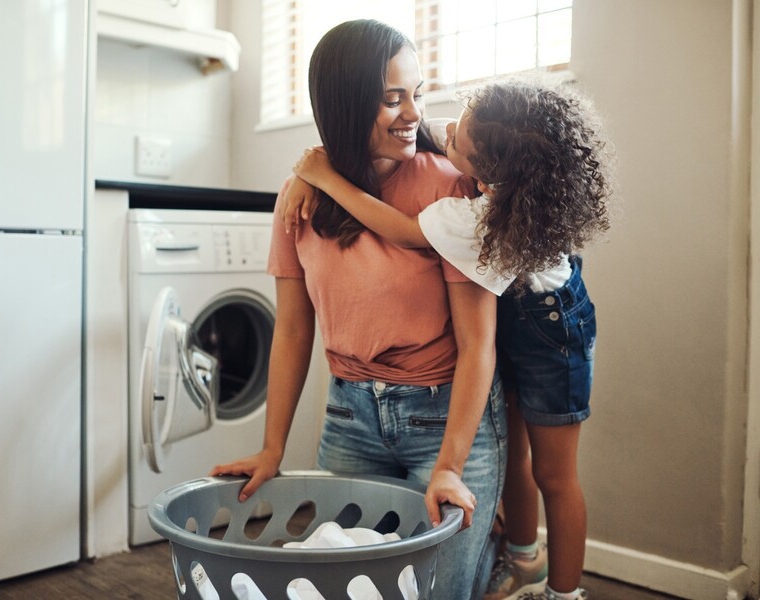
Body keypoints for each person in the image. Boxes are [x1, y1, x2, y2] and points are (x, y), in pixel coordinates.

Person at [211, 19, 507, 600]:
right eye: (392, 98)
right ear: (345, 105)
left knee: (439, 592)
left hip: (443, 419)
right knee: (351, 588)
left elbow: (479, 344)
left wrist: (449, 464)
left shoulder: (449, 187)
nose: (412, 113)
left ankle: (491, 558)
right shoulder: (300, 197)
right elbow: (294, 330)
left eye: (417, 93)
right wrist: (273, 448)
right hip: (350, 417)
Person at [286, 76, 612, 600]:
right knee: (514, 450)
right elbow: (366, 128)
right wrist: (314, 164)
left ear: (483, 173)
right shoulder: (482, 143)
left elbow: (403, 231)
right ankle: (524, 557)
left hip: (553, 329)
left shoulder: (473, 215)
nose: (445, 128)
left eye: (457, 137)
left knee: (555, 473)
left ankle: (564, 594)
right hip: (507, 313)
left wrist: (324, 179)